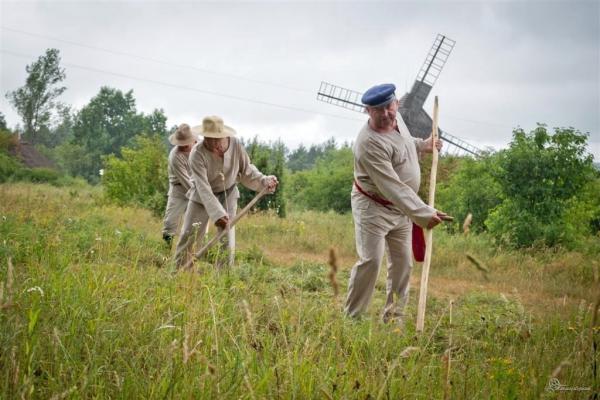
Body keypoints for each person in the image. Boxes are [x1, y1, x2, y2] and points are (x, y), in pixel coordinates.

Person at [344, 83, 448, 326]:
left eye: (389, 107)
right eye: (377, 109)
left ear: (396, 103)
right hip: (373, 208)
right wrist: (423, 213)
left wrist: (423, 144)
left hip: (401, 210)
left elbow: (403, 142)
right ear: (367, 111)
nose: (386, 114)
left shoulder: (396, 118)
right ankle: (353, 318)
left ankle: (393, 320)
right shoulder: (367, 144)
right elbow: (392, 187)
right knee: (371, 261)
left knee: (403, 264)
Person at [174, 115, 278, 268]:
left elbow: (247, 169)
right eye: (210, 138)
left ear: (224, 135)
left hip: (228, 193)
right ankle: (178, 273)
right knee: (189, 235)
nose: (215, 143)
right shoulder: (197, 154)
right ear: (204, 137)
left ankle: (223, 279)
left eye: (218, 138)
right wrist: (218, 214)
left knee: (227, 240)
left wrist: (264, 180)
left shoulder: (235, 144)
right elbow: (203, 188)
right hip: (202, 197)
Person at [162, 123, 197, 246]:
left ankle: (192, 254)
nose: (183, 146)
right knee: (170, 223)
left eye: (186, 143)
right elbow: (187, 182)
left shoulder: (200, 147)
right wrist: (204, 195)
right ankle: (165, 251)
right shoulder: (175, 156)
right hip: (179, 189)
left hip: (198, 187)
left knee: (197, 224)